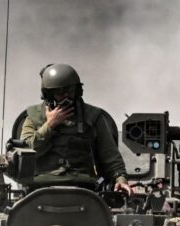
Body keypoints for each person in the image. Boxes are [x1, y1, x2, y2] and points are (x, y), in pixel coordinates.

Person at [19, 63, 132, 193]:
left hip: (84, 186)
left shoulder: (92, 117)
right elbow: (26, 152)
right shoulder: (34, 116)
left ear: (77, 91)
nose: (66, 96)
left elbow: (110, 156)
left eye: (70, 91)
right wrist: (50, 125)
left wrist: (120, 179)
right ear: (49, 94)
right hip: (41, 186)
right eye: (60, 92)